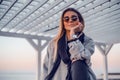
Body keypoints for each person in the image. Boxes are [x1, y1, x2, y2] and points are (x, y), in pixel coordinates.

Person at [43, 8, 96, 80]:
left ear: (79, 21)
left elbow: (80, 57)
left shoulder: (88, 41)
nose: (70, 20)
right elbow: (45, 68)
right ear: (63, 23)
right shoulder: (54, 43)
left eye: (74, 18)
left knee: (78, 63)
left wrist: (73, 36)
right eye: (66, 19)